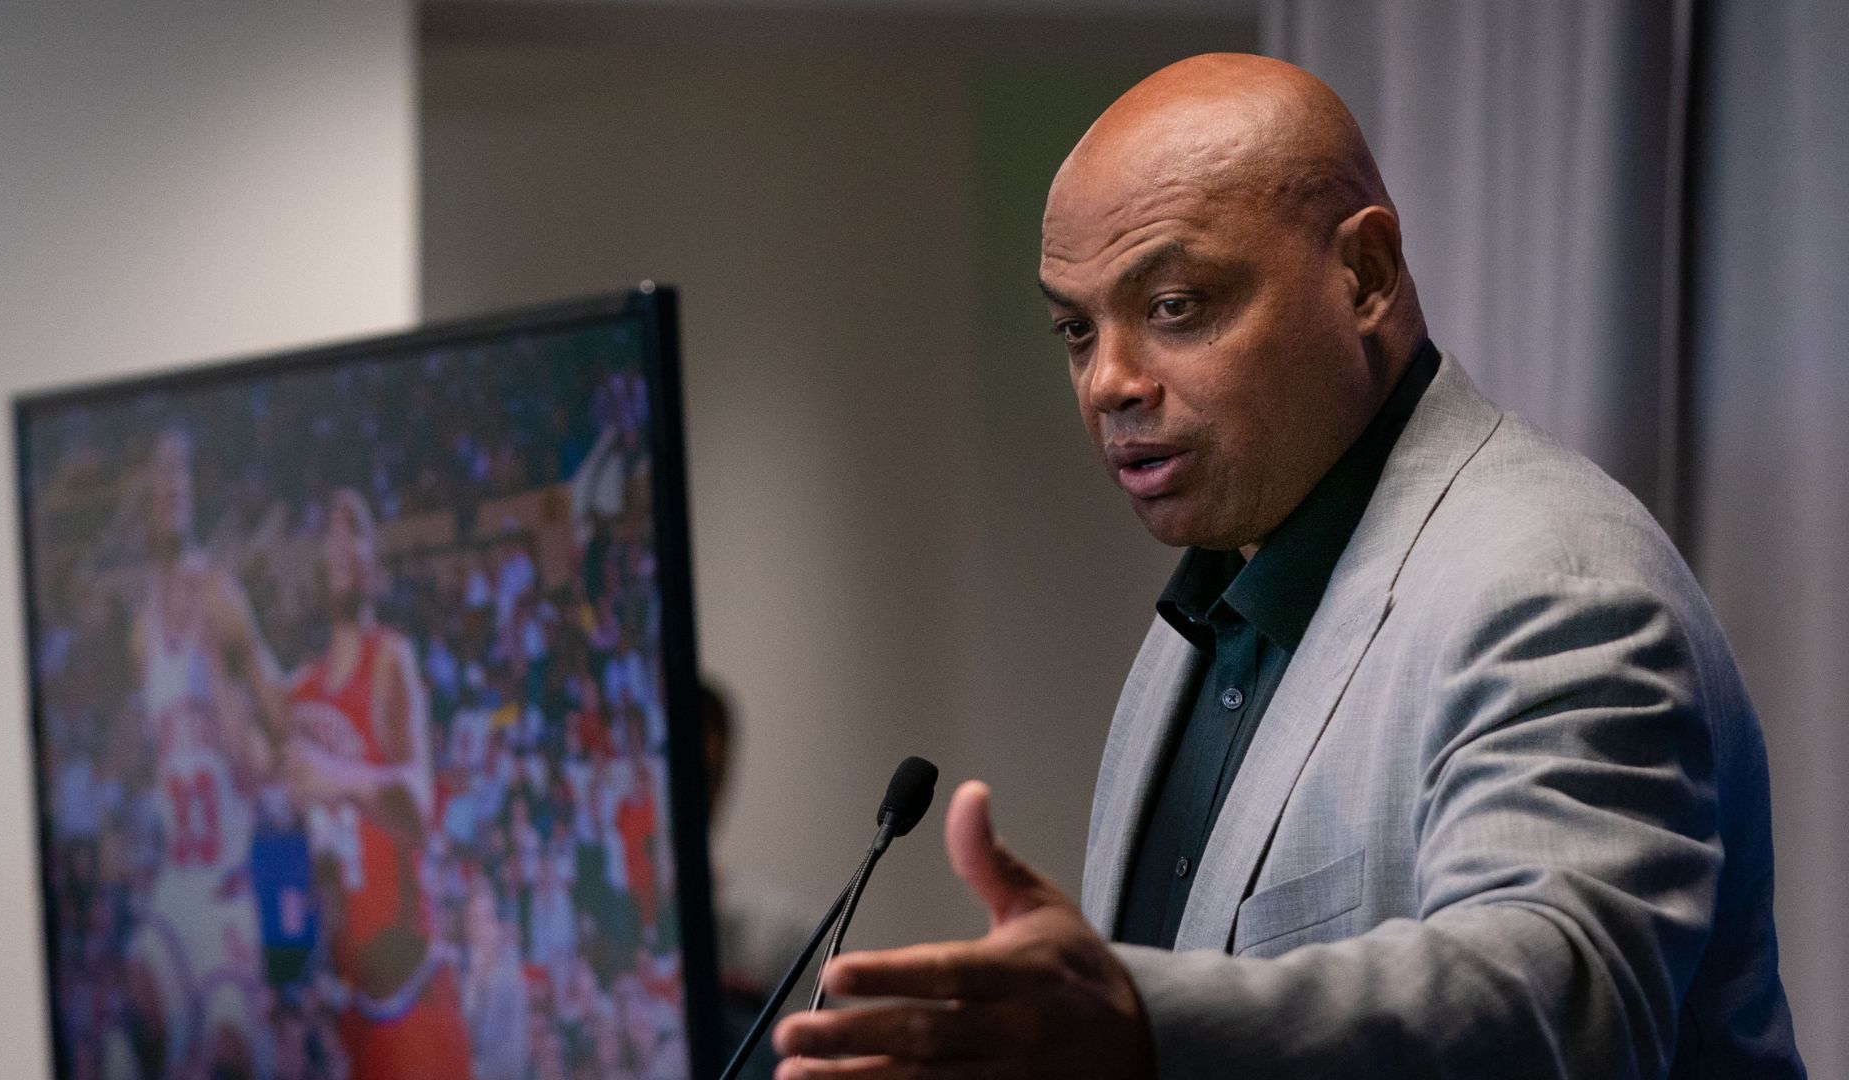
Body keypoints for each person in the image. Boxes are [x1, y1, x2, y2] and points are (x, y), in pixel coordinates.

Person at [772, 53, 1804, 1078]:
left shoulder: (1553, 583)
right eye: (1077, 330)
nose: (1109, 383)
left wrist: (1142, 1022)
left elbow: (1566, 1002)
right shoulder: (1213, 597)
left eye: (1176, 305)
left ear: (1365, 276)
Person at [285, 489, 475, 1079]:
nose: (339, 542)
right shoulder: (301, 691)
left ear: (376, 565)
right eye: (328, 530)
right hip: (346, 1008)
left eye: (356, 529)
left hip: (411, 996)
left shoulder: (390, 659)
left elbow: (418, 806)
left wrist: (334, 777)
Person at [124, 427, 289, 1080]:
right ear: (143, 496)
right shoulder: (140, 631)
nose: (171, 485)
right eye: (159, 473)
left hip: (227, 883)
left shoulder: (220, 593)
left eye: (180, 471)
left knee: (231, 1056)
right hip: (175, 882)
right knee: (137, 1019)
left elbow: (275, 717)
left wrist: (259, 745)